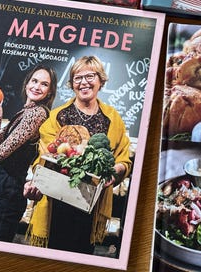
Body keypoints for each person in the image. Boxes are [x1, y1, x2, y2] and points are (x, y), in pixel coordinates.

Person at [25, 55, 131, 254]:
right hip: (57, 202)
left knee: (82, 255)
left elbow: (123, 158)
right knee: (53, 255)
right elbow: (45, 154)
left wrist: (114, 171)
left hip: (92, 204)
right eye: (77, 78)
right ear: (72, 83)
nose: (83, 82)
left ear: (100, 80)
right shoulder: (57, 115)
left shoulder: (112, 118)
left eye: (90, 76)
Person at [0, 65, 58, 242]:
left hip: (9, 185)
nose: (37, 87)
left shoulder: (37, 114)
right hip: (1, 182)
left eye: (44, 84)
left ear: (50, 92)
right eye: (34, 81)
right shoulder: (26, 111)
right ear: (27, 83)